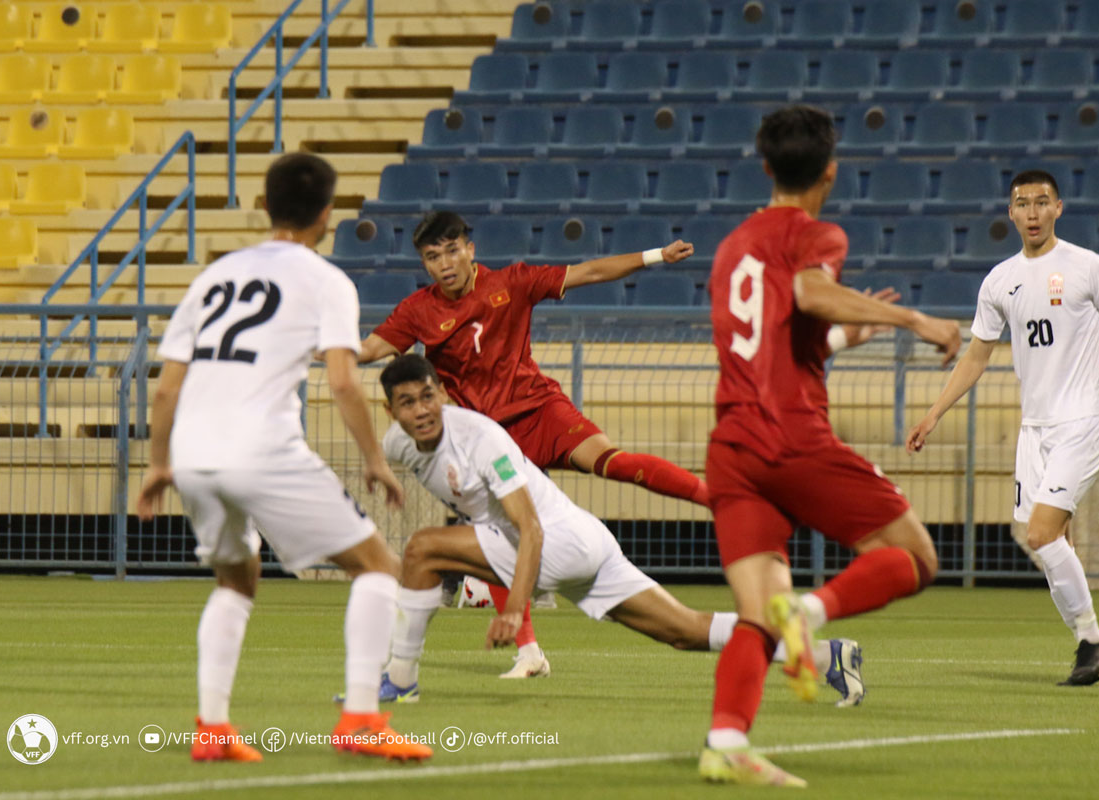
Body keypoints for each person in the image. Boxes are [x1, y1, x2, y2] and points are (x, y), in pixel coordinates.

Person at [136, 153, 431, 763]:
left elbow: (166, 387)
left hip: (193, 448)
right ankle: (361, 719)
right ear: (328, 214)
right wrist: (375, 459)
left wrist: (159, 463)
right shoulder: (327, 282)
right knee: (377, 566)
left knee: (235, 581)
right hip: (261, 447)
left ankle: (213, 728)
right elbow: (345, 382)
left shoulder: (213, 277)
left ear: (264, 206)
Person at [700, 105, 962, 787]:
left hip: (731, 445)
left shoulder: (731, 248)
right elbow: (812, 292)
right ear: (831, 170)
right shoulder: (816, 234)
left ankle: (726, 741)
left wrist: (847, 335)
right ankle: (810, 613)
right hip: (788, 435)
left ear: (764, 167)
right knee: (915, 556)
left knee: (754, 613)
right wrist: (913, 319)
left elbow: (773, 335)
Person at [356, 210, 704, 679]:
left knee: (611, 461)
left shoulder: (513, 282)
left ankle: (715, 498)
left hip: (538, 410)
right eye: (432, 257)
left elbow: (590, 272)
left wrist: (655, 256)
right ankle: (529, 654)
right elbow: (369, 350)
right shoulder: (419, 309)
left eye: (452, 250)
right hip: (486, 438)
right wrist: (308, 347)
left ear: (470, 248)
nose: (445, 264)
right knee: (495, 532)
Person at [907, 169, 1099, 687]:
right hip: (1035, 430)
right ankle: (1094, 650)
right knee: (1047, 542)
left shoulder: (1089, 268)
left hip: (1084, 421)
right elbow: (977, 356)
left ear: (1058, 208)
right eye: (1022, 203)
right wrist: (934, 412)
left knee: (1043, 534)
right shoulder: (1000, 280)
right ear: (1010, 213)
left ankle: (1092, 644)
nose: (1031, 212)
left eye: (1041, 202)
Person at [373, 353, 745, 702]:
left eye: (428, 396)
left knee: (422, 549)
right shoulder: (396, 445)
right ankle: (786, 637)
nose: (422, 411)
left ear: (444, 393)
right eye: (408, 403)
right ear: (391, 412)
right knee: (686, 631)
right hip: (586, 540)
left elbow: (530, 527)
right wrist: (380, 472)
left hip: (555, 542)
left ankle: (400, 681)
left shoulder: (482, 440)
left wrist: (515, 611)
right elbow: (362, 424)